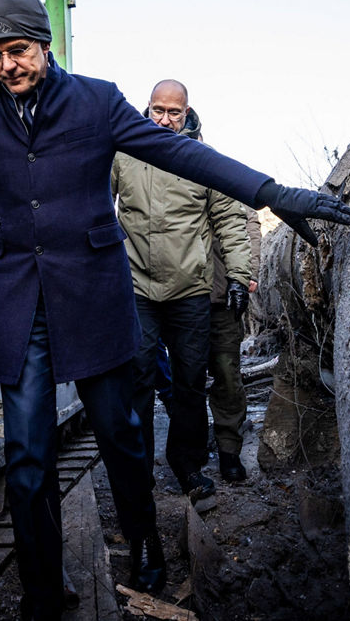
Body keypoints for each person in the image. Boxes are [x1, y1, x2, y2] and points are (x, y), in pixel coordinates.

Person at [0, 0, 350, 620]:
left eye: (17, 50)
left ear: (44, 46)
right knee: (27, 456)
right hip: (20, 303)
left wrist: (275, 193)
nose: (6, 67)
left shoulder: (97, 102)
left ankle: (144, 544)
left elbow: (184, 154)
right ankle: (43, 590)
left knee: (121, 436)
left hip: (95, 297)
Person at [111, 80, 252, 500]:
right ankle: (138, 471)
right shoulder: (124, 154)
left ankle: (188, 465)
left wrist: (240, 277)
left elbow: (230, 220)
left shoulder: (202, 159)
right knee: (136, 377)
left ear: (187, 113)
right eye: (158, 110)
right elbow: (96, 201)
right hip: (137, 289)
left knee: (190, 381)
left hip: (190, 290)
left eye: (174, 113)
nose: (165, 120)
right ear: (147, 109)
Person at [208, 205, 262, 482]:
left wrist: (247, 273)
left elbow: (249, 223)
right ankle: (190, 455)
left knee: (228, 375)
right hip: (178, 296)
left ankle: (229, 450)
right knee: (184, 376)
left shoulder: (222, 178)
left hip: (223, 294)